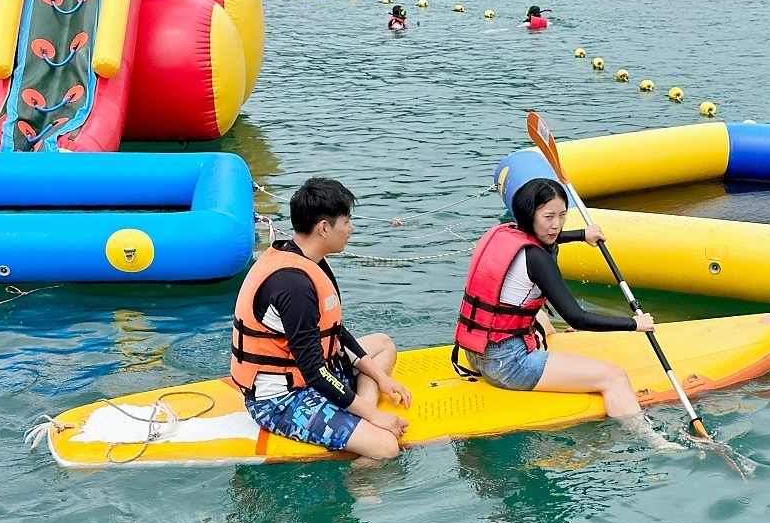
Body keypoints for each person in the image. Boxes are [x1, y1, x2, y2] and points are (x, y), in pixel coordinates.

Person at [453, 178, 678, 444]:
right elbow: (576, 318)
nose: (556, 224)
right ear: (530, 215)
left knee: (542, 320)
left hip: (475, 352)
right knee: (614, 376)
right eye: (548, 216)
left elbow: (545, 238)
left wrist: (582, 235)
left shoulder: (504, 234)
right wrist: (634, 323)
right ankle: (652, 441)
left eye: (562, 215)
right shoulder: (537, 260)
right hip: (508, 365)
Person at [231, 178, 412, 461]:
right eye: (346, 221)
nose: (351, 228)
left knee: (383, 344)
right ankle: (360, 476)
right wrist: (376, 415)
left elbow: (335, 333)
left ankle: (361, 417)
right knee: (386, 447)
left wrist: (380, 379)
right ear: (324, 228)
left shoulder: (306, 259)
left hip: (311, 376)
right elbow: (315, 373)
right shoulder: (293, 284)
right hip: (282, 399)